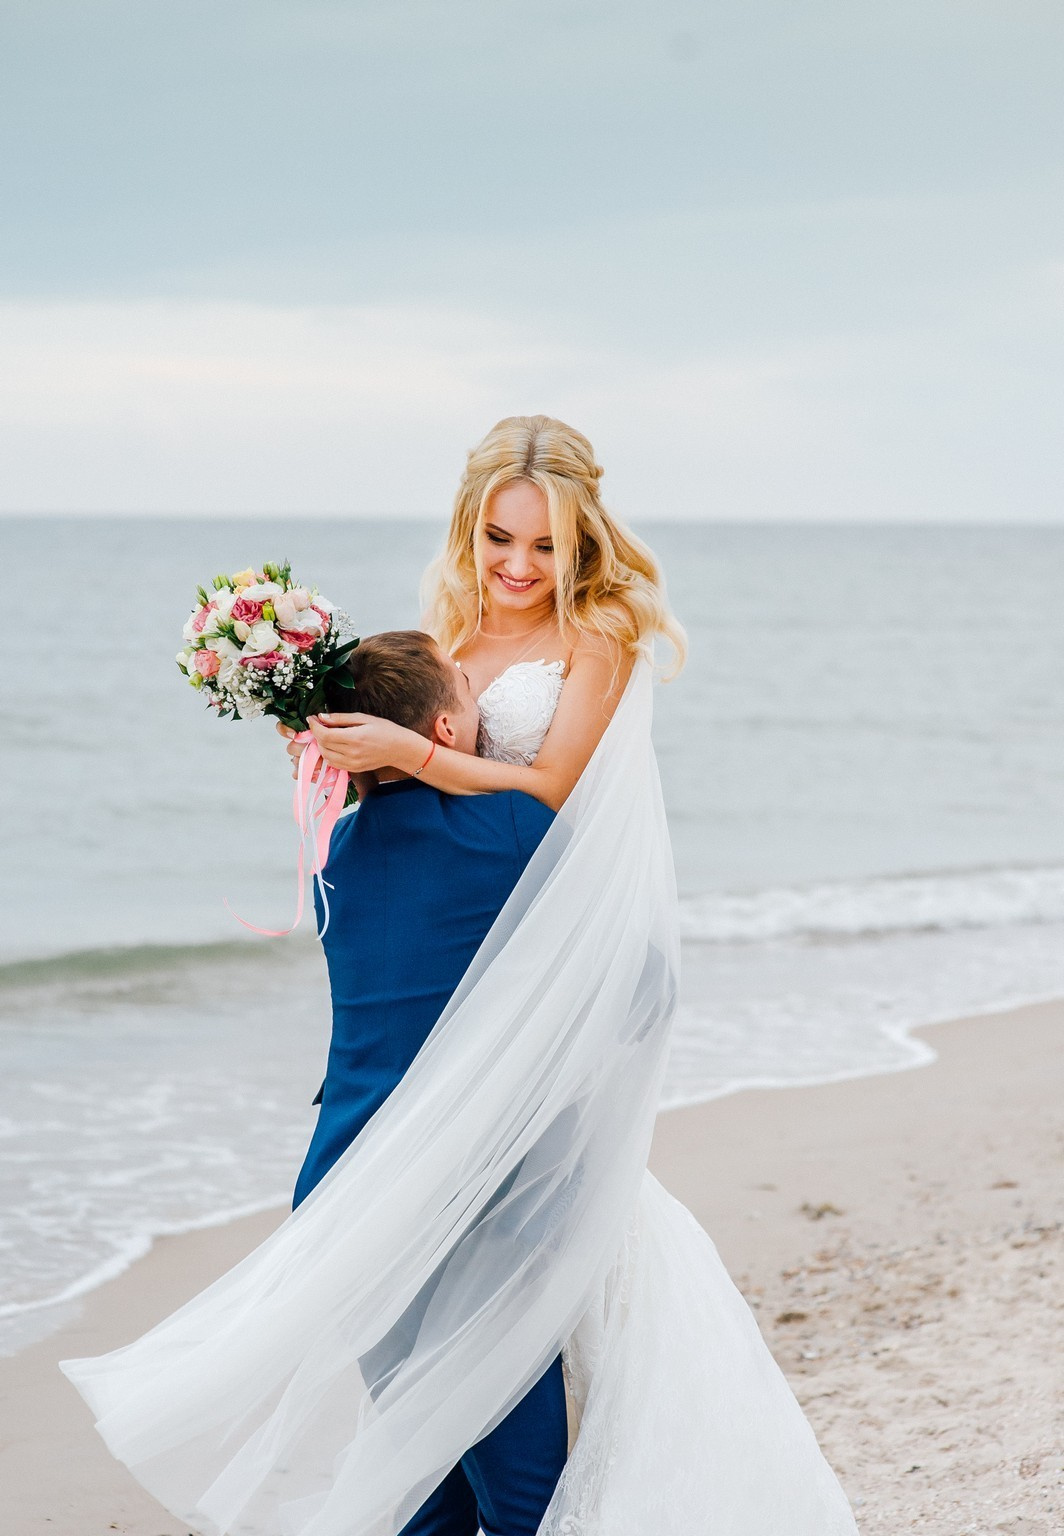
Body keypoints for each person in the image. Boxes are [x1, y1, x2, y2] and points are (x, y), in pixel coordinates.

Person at [61, 416, 860, 1535]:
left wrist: (411, 756)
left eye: (544, 547)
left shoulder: (597, 642)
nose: (518, 569)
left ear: (581, 544)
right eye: (498, 540)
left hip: (533, 989)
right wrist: (338, 745)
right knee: (436, 1362)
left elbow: (548, 789)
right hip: (443, 985)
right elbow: (403, 804)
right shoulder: (446, 638)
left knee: (505, 1321)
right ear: (467, 529)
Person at [292, 627, 568, 1536]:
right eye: (472, 696)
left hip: (343, 1191)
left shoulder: (332, 856)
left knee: (421, 1472)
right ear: (446, 731)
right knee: (527, 1488)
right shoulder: (516, 825)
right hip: (469, 1193)